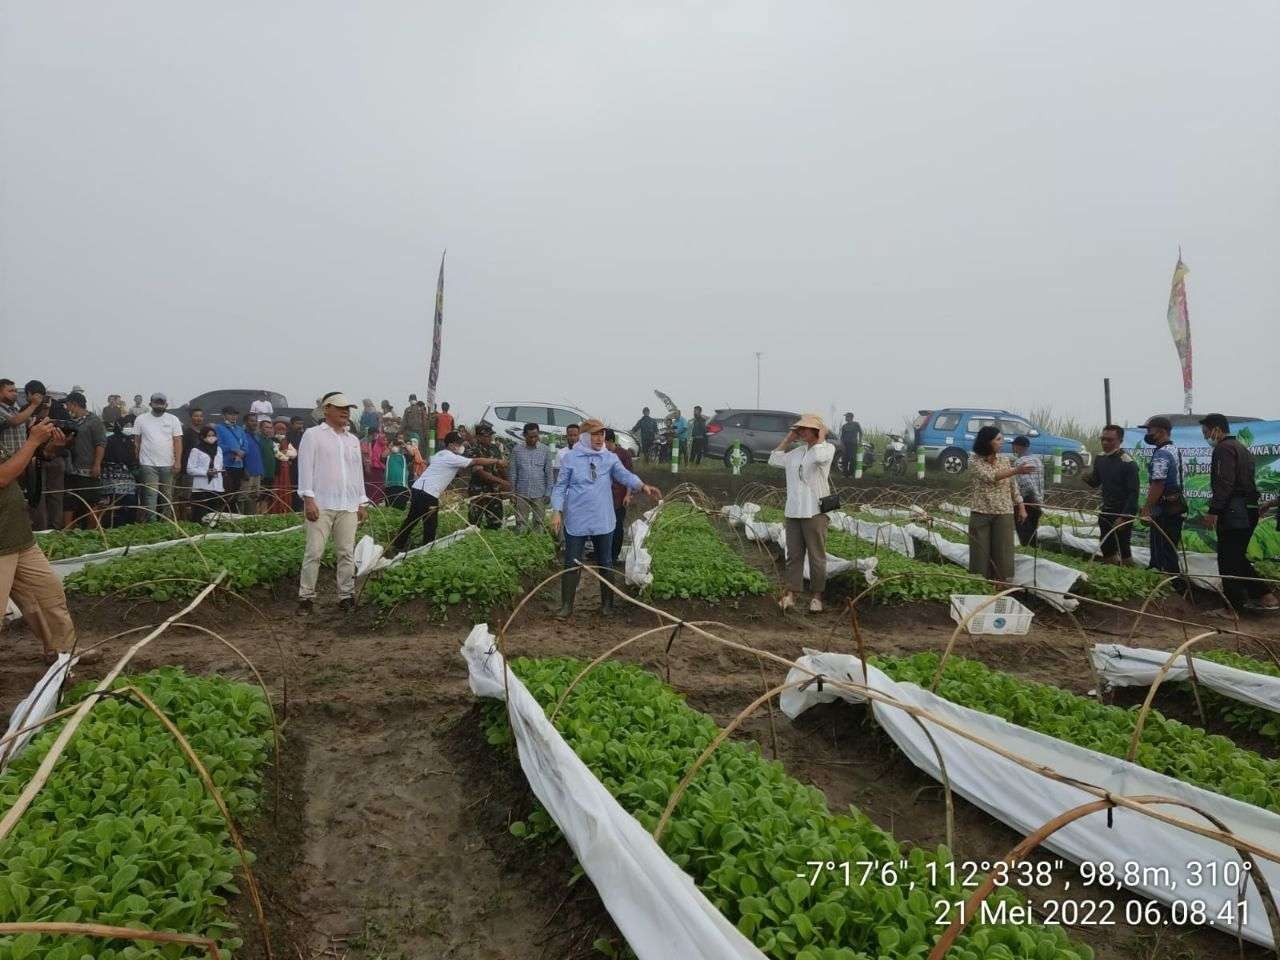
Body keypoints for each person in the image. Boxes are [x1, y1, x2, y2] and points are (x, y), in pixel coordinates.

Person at [550, 418, 660, 619]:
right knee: (572, 562)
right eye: (595, 434)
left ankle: (607, 605)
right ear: (584, 437)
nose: (599, 438)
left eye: (601, 434)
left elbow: (624, 475)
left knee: (605, 561)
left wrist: (642, 486)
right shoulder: (571, 458)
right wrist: (557, 511)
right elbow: (560, 487)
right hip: (577, 519)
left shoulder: (609, 458)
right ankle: (566, 606)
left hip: (603, 518)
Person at [1, 418, 78, 661]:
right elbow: (2, 478)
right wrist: (32, 441)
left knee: (49, 596)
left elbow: (17, 470)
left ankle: (63, 652)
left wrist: (48, 448)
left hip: (19, 537)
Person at [296, 393, 369, 613]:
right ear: (326, 409)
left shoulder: (352, 440)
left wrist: (361, 502)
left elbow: (357, 473)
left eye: (348, 408)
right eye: (340, 407)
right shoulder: (313, 435)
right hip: (321, 503)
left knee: (346, 552)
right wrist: (308, 499)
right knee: (314, 552)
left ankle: (346, 595)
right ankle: (306, 597)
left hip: (348, 504)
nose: (345, 412)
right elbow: (305, 468)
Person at [1200, 413, 1278, 613]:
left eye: (1206, 431)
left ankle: (1232, 608)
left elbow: (1225, 482)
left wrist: (1214, 510)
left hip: (1234, 512)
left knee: (1227, 560)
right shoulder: (1241, 448)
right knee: (1235, 556)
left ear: (1217, 429)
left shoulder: (1223, 449)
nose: (1206, 436)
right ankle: (1264, 595)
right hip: (1248, 509)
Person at [391, 431, 503, 553]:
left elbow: (429, 461)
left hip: (418, 489)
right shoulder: (451, 457)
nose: (460, 446)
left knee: (411, 519)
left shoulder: (440, 454)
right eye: (458, 444)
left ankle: (398, 544)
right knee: (430, 524)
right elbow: (475, 461)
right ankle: (427, 551)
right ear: (450, 445)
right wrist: (496, 461)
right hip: (429, 493)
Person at [768, 414, 836, 612]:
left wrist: (822, 436)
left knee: (816, 555)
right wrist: (788, 439)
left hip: (815, 511)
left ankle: (817, 596)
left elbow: (819, 457)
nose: (801, 432)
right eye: (799, 429)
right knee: (794, 555)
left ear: (816, 430)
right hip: (794, 511)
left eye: (805, 429)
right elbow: (773, 459)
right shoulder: (796, 453)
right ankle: (791, 594)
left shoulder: (826, 448)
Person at [967, 426, 1029, 583]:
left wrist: (1021, 506)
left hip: (1003, 512)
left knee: (1003, 553)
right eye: (998, 439)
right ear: (987, 442)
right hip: (981, 512)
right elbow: (990, 476)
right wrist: (1016, 470)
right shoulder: (974, 461)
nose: (1002, 442)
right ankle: (980, 585)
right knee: (979, 554)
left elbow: (1012, 485)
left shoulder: (1004, 460)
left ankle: (1000, 585)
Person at [1083, 425, 1139, 566]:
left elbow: (1134, 493)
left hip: (1122, 512)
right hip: (1106, 509)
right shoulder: (1101, 459)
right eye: (1103, 439)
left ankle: (1129, 574)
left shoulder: (1128, 463)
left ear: (1120, 441)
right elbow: (1096, 482)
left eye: (1110, 440)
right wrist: (1085, 476)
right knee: (1106, 546)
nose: (1105, 443)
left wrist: (1124, 517)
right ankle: (1110, 569)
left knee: (1123, 547)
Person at [1137, 415, 1185, 578]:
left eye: (1150, 431)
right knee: (1168, 549)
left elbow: (1158, 483)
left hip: (1165, 509)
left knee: (1162, 551)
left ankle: (1169, 586)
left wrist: (1147, 508)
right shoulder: (1173, 449)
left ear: (1162, 432)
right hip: (1174, 507)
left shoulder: (1162, 454)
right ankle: (1170, 582)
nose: (1148, 434)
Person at [133, 392, 183, 520]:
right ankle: (152, 523)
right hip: (148, 463)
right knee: (150, 494)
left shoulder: (173, 419)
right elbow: (137, 441)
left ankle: (166, 522)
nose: (159, 404)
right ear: (151, 404)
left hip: (168, 463)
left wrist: (178, 462)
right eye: (157, 402)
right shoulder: (141, 419)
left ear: (166, 404)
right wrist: (138, 458)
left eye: (162, 402)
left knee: (167, 494)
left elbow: (177, 441)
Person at [61, 391, 107, 530]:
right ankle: (67, 532)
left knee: (91, 502)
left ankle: (92, 532)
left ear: (74, 404)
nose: (67, 408)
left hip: (88, 468)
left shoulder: (94, 421)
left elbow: (101, 444)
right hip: (71, 468)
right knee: (69, 501)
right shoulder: (71, 422)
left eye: (68, 404)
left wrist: (97, 464)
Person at [510, 422, 553, 531]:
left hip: (540, 492)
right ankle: (522, 544)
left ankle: (537, 544)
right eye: (530, 437)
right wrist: (512, 492)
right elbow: (513, 473)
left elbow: (549, 473)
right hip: (521, 492)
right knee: (521, 522)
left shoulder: (545, 450)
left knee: (539, 523)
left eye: (536, 436)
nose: (534, 439)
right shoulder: (517, 450)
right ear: (524, 435)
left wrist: (548, 493)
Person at [465, 423, 509, 528]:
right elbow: (480, 473)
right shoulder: (473, 450)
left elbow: (500, 467)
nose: (489, 438)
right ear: (478, 437)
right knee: (474, 524)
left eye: (490, 436)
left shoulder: (495, 448)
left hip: (494, 490)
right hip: (478, 491)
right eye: (486, 436)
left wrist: (506, 482)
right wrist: (501, 482)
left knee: (496, 522)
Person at [101, 420, 139, 527]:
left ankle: (127, 524)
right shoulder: (109, 440)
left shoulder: (130, 442)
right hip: (110, 476)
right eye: (126, 425)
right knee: (116, 501)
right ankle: (115, 525)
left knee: (130, 500)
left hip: (127, 477)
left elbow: (132, 460)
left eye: (130, 426)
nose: (128, 428)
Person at [605, 428, 634, 564]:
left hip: (619, 498)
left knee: (617, 526)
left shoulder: (623, 455)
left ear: (610, 441)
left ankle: (614, 555)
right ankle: (604, 553)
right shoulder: (601, 454)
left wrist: (628, 495)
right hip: (603, 498)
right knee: (604, 526)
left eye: (605, 442)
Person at [1010, 436, 1044, 547]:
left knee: (1023, 528)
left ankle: (1028, 551)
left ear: (1017, 446)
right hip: (1038, 500)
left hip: (1026, 500)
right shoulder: (1037, 460)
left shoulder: (1020, 462)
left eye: (1013, 445)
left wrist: (1021, 503)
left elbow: (1027, 485)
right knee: (1033, 528)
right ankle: (1034, 549)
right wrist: (1038, 499)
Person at [186, 425, 224, 522]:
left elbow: (220, 465)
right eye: (208, 435)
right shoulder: (196, 450)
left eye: (213, 435)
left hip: (216, 486)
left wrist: (217, 470)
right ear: (202, 437)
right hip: (201, 488)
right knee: (200, 515)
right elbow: (190, 469)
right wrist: (205, 472)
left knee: (214, 515)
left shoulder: (218, 449)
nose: (211, 438)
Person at [215, 407, 248, 508]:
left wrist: (242, 452)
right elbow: (217, 444)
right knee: (226, 492)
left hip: (238, 464)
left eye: (235, 414)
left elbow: (245, 444)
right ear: (223, 415)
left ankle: (233, 513)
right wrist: (232, 449)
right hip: (226, 464)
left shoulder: (240, 429)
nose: (233, 416)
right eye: (230, 414)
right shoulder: (219, 428)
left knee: (236, 492)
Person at [0, 378, 42, 457]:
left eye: (15, 391)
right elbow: (14, 421)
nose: (15, 394)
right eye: (10, 391)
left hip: (20, 458)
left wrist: (46, 409)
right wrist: (34, 405)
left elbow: (30, 422)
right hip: (5, 461)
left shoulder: (16, 410)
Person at [177, 408, 206, 519]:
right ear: (191, 418)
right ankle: (183, 520)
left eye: (200, 416)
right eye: (196, 416)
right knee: (186, 496)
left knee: (198, 496)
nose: (199, 418)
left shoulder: (203, 434)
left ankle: (197, 518)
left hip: (201, 471)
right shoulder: (186, 432)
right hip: (187, 469)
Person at [240, 415, 266, 514]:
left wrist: (261, 470)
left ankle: (252, 518)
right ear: (245, 422)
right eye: (251, 421)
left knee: (255, 497)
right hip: (247, 472)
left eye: (255, 421)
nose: (254, 423)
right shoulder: (242, 435)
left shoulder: (257, 436)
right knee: (244, 497)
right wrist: (244, 469)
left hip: (257, 471)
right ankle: (242, 518)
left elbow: (258, 454)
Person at [271, 421, 298, 513]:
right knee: (277, 488)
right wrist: (286, 455)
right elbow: (277, 454)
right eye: (279, 429)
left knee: (285, 488)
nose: (281, 432)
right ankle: (276, 510)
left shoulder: (287, 441)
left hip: (286, 469)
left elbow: (294, 453)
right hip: (277, 469)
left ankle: (284, 509)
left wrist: (285, 453)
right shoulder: (273, 440)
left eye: (283, 430)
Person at [255, 416, 278, 513]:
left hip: (270, 473)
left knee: (266, 496)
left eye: (270, 427)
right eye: (266, 427)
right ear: (260, 428)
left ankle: (264, 515)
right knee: (258, 497)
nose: (269, 429)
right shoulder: (258, 440)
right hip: (261, 474)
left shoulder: (271, 441)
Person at [382, 433, 411, 509]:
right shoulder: (388, 457)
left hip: (401, 486)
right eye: (396, 444)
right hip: (389, 486)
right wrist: (390, 446)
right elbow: (382, 456)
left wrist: (403, 444)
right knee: (389, 507)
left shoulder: (404, 456)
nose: (396, 446)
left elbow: (411, 453)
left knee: (400, 507)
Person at [362, 426, 388, 503]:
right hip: (369, 467)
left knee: (378, 485)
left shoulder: (380, 443)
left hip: (378, 467)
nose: (376, 436)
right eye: (374, 434)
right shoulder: (365, 442)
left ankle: (377, 501)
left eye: (377, 434)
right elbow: (365, 455)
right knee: (370, 485)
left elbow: (383, 455)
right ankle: (369, 501)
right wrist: (367, 466)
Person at [838, 413, 863, 477]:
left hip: (853, 445)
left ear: (850, 417)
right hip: (845, 445)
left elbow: (861, 433)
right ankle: (845, 474)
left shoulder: (856, 424)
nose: (845, 418)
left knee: (852, 459)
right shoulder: (844, 426)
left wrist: (860, 441)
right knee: (845, 459)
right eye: (845, 417)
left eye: (846, 417)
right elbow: (842, 437)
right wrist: (842, 444)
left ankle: (851, 474)